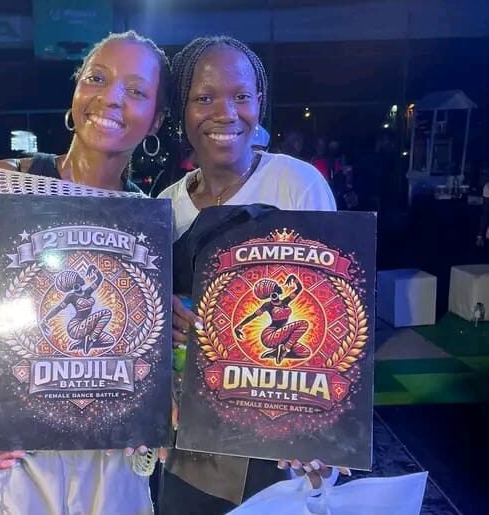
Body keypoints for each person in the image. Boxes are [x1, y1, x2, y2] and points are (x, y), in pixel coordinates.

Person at [0, 31, 170, 515]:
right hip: (14, 457)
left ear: (156, 118)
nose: (111, 97)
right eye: (97, 78)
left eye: (136, 90)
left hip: (111, 463)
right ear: (76, 91)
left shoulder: (148, 217)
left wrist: (154, 401)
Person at [157, 36, 345, 514]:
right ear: (182, 110)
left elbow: (339, 306)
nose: (226, 113)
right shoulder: (165, 204)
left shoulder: (296, 183)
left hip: (282, 439)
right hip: (194, 446)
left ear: (259, 102)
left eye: (241, 96)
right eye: (204, 98)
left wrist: (326, 433)